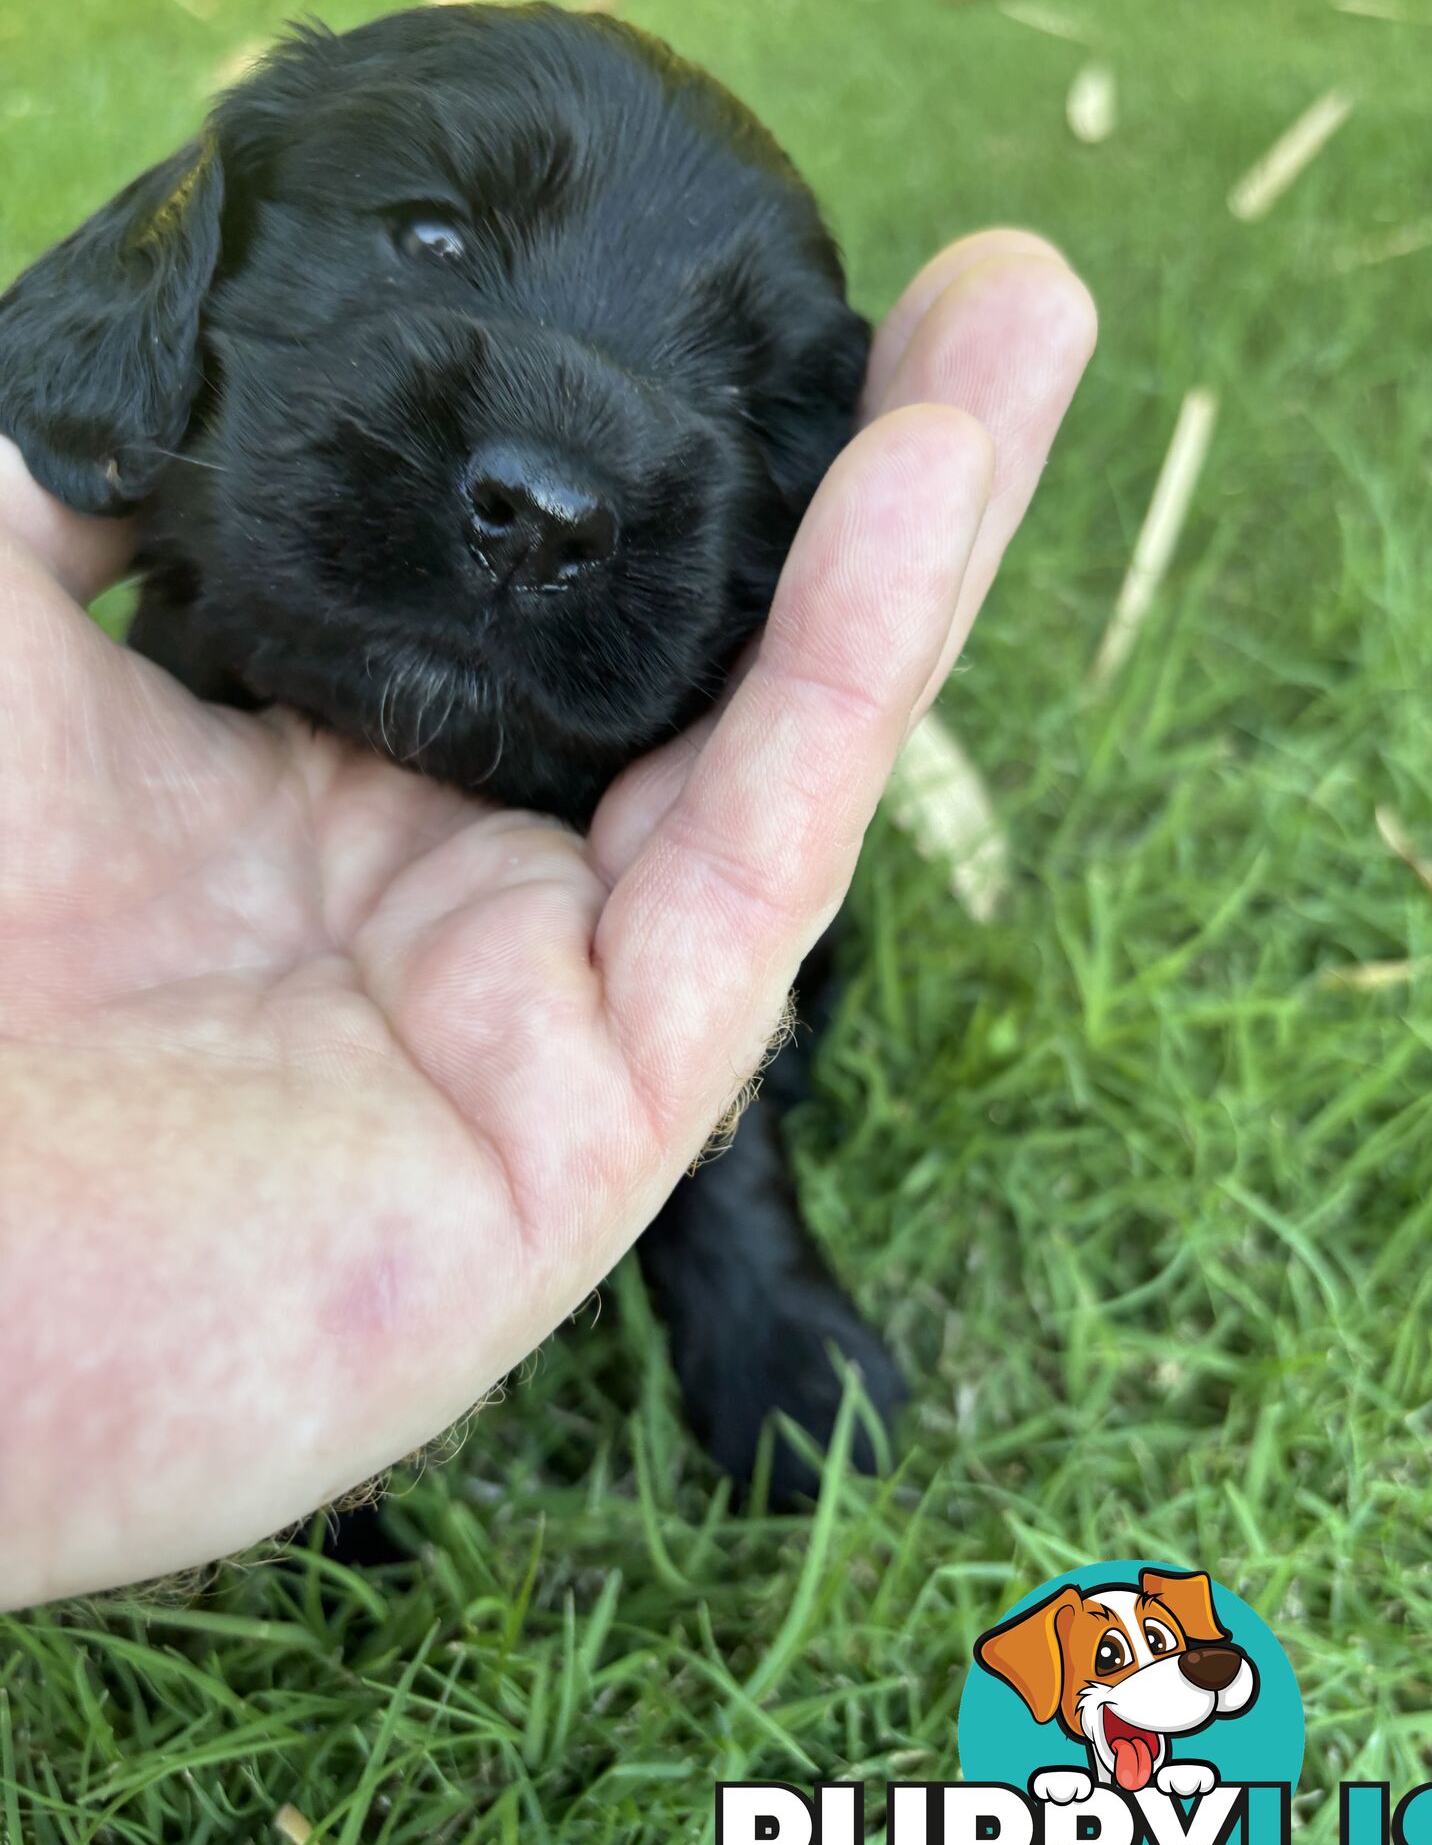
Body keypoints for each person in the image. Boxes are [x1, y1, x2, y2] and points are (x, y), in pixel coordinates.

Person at [0, 232, 1096, 1608]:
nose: (545, 492)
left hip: (582, 825)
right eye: (434, 239)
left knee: (717, 920)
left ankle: (736, 1240)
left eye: (749, 396)